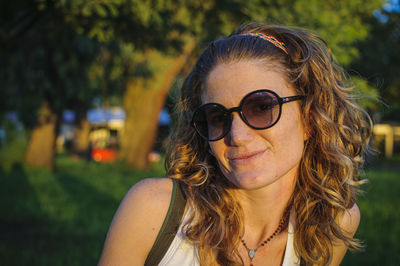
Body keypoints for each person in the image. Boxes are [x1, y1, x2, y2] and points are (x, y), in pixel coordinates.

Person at [98, 23, 372, 266]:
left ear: (310, 118)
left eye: (262, 106)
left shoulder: (332, 223)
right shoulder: (153, 209)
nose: (237, 136)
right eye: (217, 116)